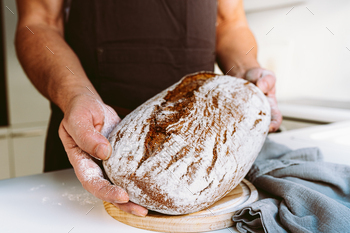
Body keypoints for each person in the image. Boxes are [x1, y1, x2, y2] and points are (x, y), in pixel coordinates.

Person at [15, 0, 282, 217]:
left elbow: (229, 23)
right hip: (91, 135)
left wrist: (248, 76)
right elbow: (39, 22)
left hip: (199, 151)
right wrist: (76, 94)